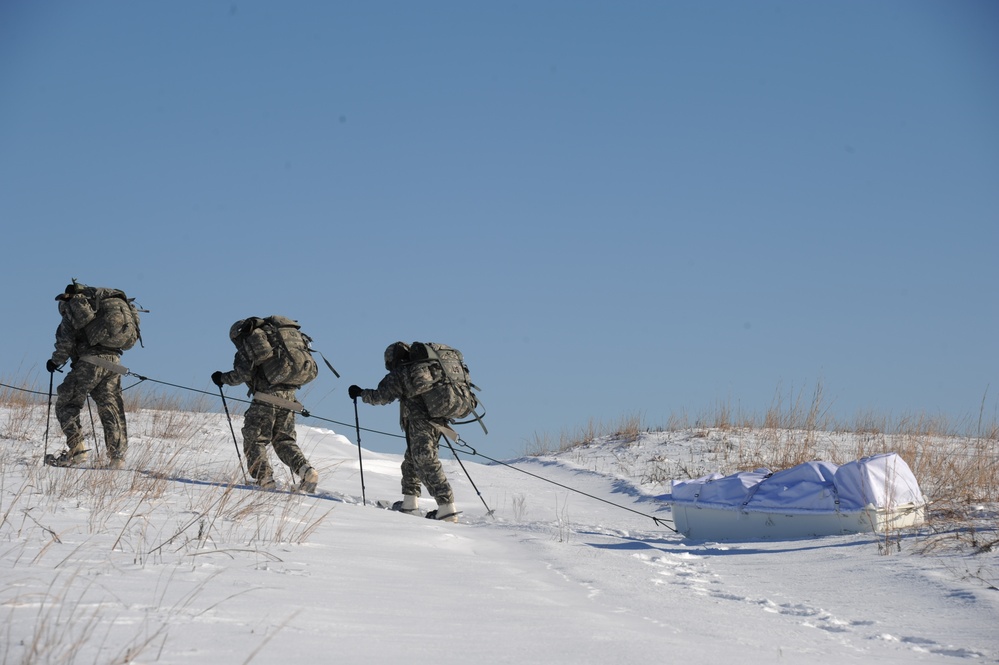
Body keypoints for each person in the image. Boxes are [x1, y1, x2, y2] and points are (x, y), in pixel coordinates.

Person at [348, 342, 458, 521]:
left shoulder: (401, 373)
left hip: (419, 422)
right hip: (439, 420)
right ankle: (409, 504)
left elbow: (380, 396)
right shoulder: (430, 370)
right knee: (411, 462)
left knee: (425, 461)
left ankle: (446, 508)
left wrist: (360, 393)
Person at [211, 317, 319, 492]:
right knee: (284, 440)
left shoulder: (249, 347)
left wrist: (221, 378)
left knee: (255, 438)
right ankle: (307, 471)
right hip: (290, 398)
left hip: (265, 398)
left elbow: (243, 374)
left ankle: (264, 478)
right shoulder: (277, 345)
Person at [45, 281, 132, 469]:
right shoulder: (99, 311)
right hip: (113, 362)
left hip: (89, 363)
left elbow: (65, 344)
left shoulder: (72, 313)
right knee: (111, 408)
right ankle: (117, 457)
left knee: (67, 402)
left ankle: (77, 450)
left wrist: (54, 362)